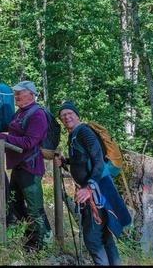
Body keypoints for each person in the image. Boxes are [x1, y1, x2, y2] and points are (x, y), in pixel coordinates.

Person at [54, 101, 127, 265]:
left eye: (69, 113)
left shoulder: (84, 132)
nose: (66, 117)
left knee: (93, 239)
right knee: (104, 235)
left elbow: (98, 161)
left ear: (77, 115)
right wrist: (66, 161)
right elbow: (82, 159)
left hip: (96, 192)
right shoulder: (75, 135)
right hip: (98, 189)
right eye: (63, 115)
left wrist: (89, 188)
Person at [0, 80, 52, 251]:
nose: (16, 96)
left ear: (30, 94)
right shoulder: (20, 113)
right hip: (18, 166)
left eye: (19, 93)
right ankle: (32, 236)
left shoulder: (38, 115)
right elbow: (12, 138)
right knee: (15, 203)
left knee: (34, 207)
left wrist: (0, 137)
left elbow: (28, 142)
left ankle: (39, 244)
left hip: (31, 168)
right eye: (16, 93)